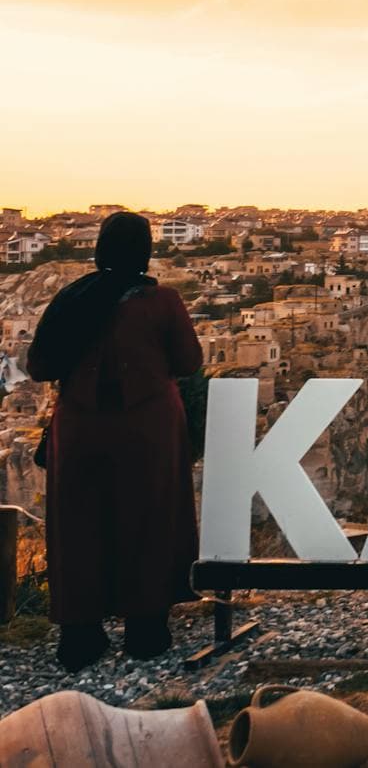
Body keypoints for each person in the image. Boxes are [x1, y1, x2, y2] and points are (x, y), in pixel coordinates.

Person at [27, 212, 203, 671]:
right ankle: (146, 630)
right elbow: (188, 361)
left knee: (79, 525)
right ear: (145, 250)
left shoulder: (72, 299)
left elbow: (40, 365)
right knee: (149, 518)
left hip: (80, 428)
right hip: (148, 427)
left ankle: (80, 636)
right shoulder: (163, 301)